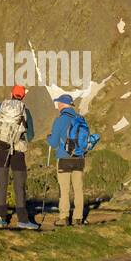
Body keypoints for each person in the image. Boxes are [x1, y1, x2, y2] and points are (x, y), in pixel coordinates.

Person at [0, 85, 40, 230]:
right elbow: (31, 136)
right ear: (23, 96)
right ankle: (23, 219)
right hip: (17, 151)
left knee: (2, 183)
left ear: (11, 94)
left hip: (1, 149)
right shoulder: (25, 111)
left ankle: (0, 217)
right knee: (19, 185)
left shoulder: (2, 107)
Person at [47, 93, 86, 225]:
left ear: (63, 104)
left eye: (58, 103)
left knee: (64, 189)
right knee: (78, 189)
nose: (57, 105)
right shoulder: (80, 118)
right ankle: (78, 218)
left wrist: (48, 137)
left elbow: (53, 143)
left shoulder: (60, 120)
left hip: (64, 158)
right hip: (79, 158)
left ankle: (64, 217)